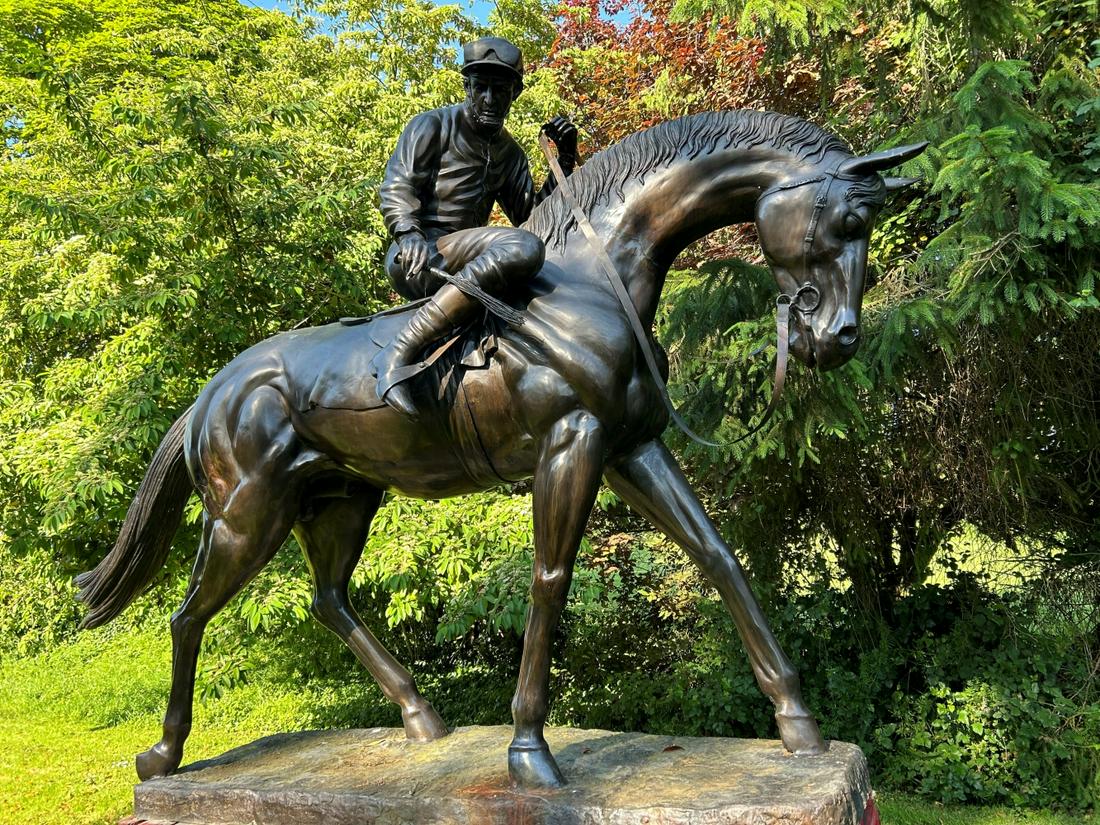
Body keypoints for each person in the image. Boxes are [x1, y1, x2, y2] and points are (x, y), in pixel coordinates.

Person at [372, 36, 578, 416]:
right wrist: (407, 232)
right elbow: (397, 185)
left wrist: (564, 160)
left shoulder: (509, 154)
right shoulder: (432, 126)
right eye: (479, 87)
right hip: (421, 256)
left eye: (499, 90)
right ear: (466, 87)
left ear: (514, 94)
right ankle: (399, 350)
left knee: (537, 263)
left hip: (470, 265)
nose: (488, 99)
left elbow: (531, 216)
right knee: (523, 248)